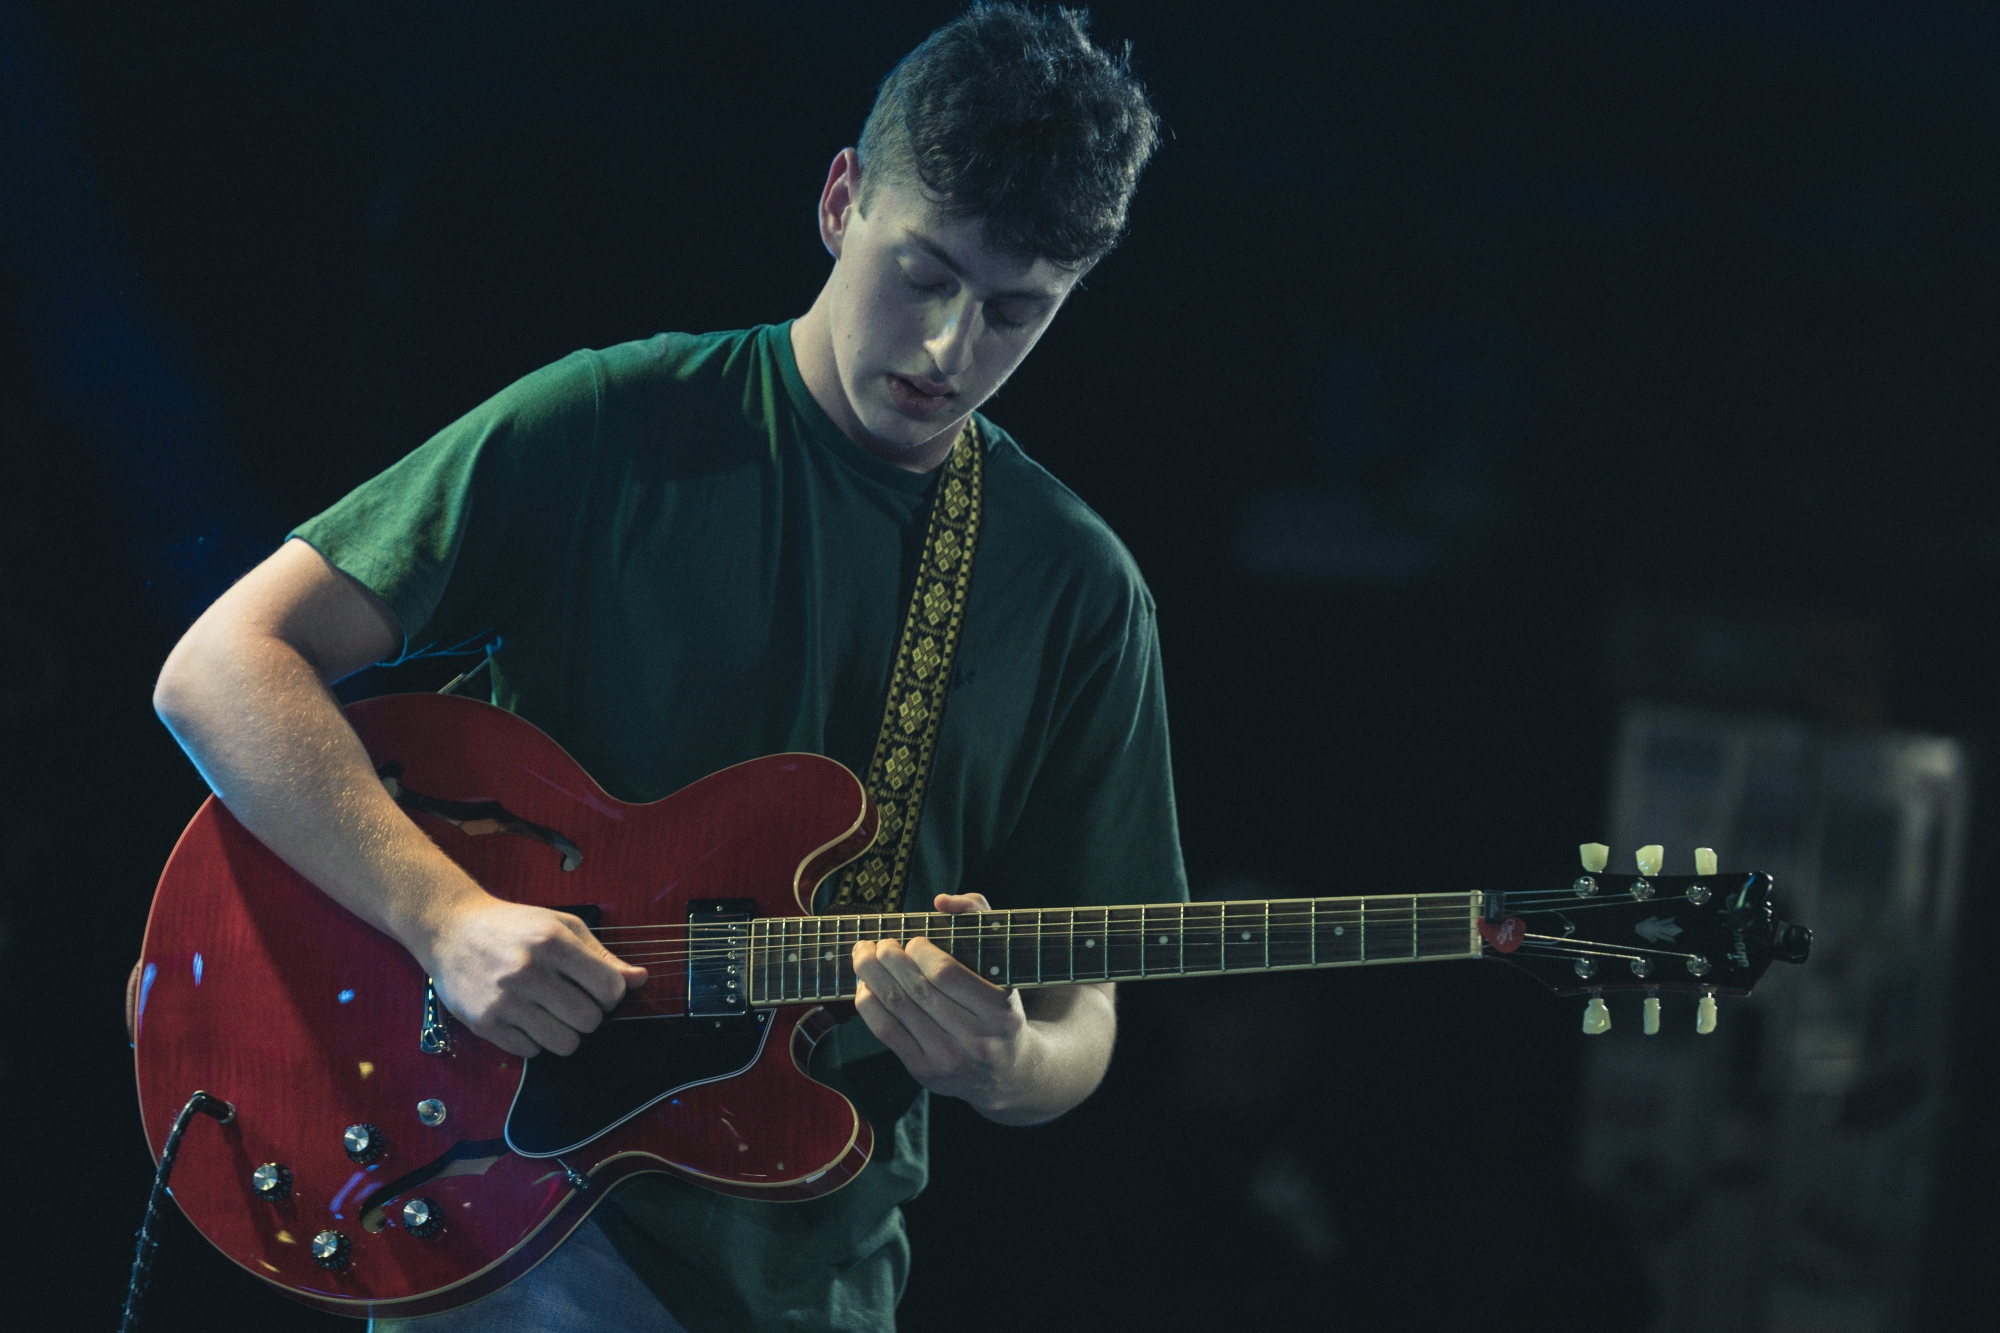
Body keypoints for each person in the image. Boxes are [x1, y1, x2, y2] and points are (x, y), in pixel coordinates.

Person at [145, 6, 1184, 1331]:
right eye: (923, 275)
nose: (948, 350)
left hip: (813, 1272)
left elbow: (1081, 1014)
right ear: (840, 199)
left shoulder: (1078, 588)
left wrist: (1012, 1059)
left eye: (1012, 313)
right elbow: (223, 664)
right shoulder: (613, 423)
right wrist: (444, 918)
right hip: (507, 1214)